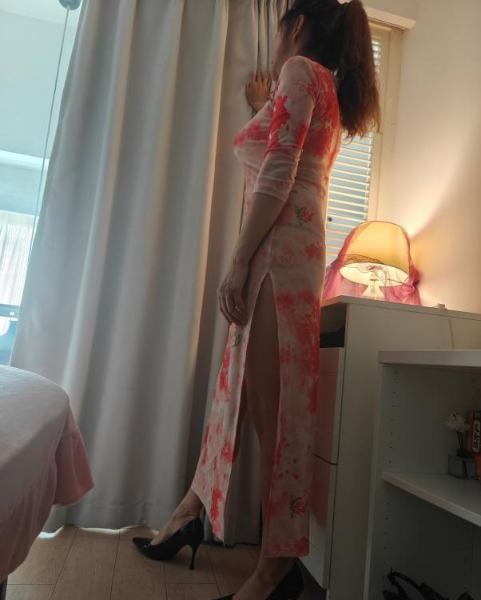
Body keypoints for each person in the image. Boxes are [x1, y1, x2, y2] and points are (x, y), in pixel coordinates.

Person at [133, 1, 381, 599]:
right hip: (292, 256)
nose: (275, 43)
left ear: (297, 26)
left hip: (278, 260)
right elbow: (283, 154)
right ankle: (191, 511)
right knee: (242, 398)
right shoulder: (319, 85)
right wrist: (263, 105)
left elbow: (277, 171)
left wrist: (240, 262)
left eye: (279, 32)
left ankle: (276, 570)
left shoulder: (300, 71)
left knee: (273, 415)